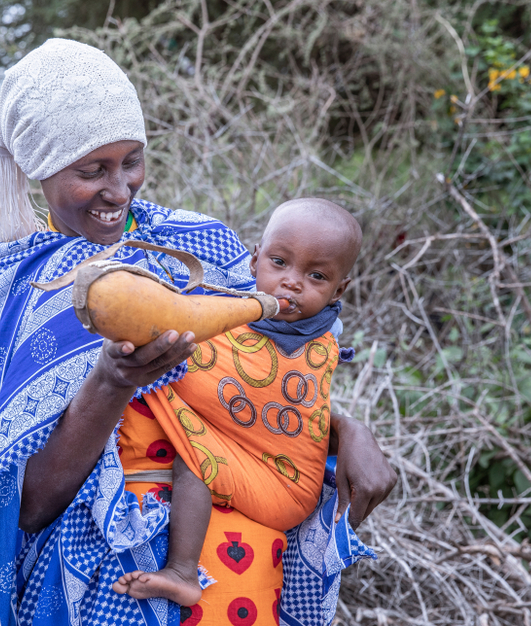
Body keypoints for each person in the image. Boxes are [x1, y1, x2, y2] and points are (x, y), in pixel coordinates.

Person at [0, 38, 397, 626]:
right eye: (91, 170)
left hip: (241, 574)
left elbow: (268, 387)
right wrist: (111, 383)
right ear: (37, 167)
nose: (120, 188)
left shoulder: (202, 245)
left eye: (131, 160)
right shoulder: (9, 292)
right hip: (103, 586)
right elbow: (25, 507)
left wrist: (346, 433)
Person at [112, 198, 363, 607]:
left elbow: (272, 401)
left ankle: (182, 571)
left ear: (340, 289)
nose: (292, 282)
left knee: (193, 455)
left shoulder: (317, 344)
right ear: (254, 260)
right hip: (246, 460)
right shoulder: (232, 314)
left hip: (286, 483)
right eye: (279, 263)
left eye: (316, 275)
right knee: (193, 439)